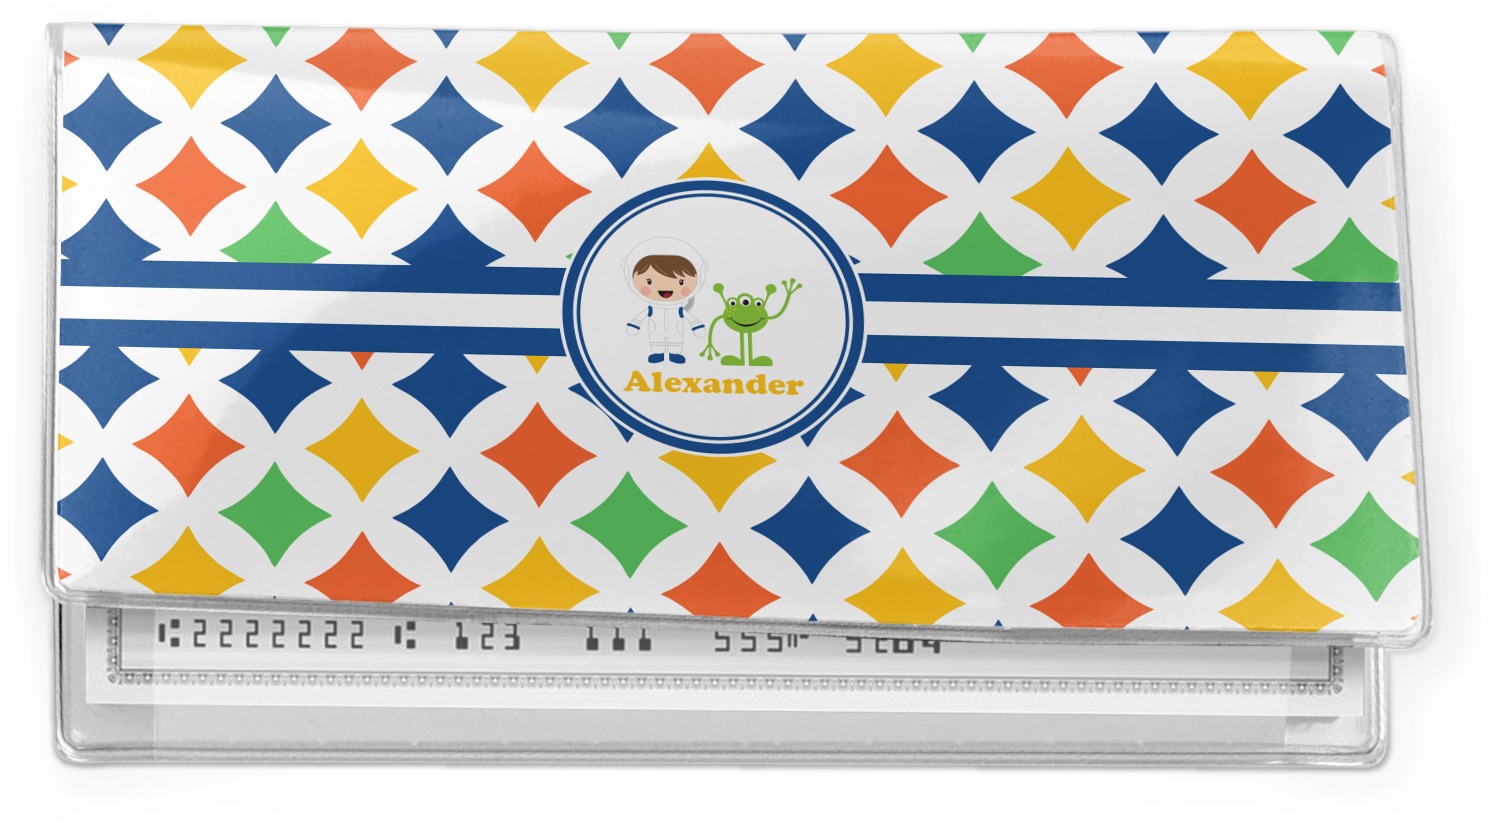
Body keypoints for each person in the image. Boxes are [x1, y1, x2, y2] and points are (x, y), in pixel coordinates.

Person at [622, 237, 707, 364]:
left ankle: (675, 354)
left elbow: (690, 317)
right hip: (656, 333)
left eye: (681, 282)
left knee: (676, 341)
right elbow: (640, 317)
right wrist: (635, 325)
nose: (665, 288)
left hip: (676, 333)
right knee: (656, 341)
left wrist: (697, 327)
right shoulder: (652, 308)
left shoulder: (678, 309)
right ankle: (658, 354)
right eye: (649, 281)